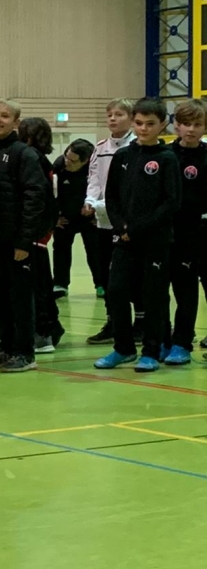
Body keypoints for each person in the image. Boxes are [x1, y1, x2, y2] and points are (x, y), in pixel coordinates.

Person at [95, 98, 181, 373]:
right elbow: (111, 196)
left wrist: (136, 229)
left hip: (155, 240)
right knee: (116, 291)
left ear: (163, 125)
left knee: (152, 296)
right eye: (139, 123)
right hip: (124, 240)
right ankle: (123, 348)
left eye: (150, 124)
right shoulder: (123, 156)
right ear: (133, 122)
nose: (144, 128)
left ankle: (152, 351)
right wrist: (121, 227)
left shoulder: (167, 158)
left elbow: (171, 202)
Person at [0, 100, 46, 373]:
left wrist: (24, 241)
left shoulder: (24, 154)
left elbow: (35, 197)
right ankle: (7, 347)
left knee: (20, 298)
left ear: (16, 122)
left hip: (16, 241)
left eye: (5, 116)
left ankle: (25, 352)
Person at [84, 99, 139, 343]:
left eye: (119, 114)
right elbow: (94, 178)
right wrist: (90, 201)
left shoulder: (135, 147)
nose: (113, 119)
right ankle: (112, 321)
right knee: (106, 275)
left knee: (132, 276)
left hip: (127, 221)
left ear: (131, 118)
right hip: (103, 221)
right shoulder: (100, 147)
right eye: (109, 115)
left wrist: (104, 206)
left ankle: (141, 321)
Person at [164, 100, 207, 365]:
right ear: (176, 125)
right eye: (186, 124)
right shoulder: (166, 156)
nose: (191, 129)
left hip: (203, 232)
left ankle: (183, 342)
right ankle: (174, 341)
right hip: (173, 234)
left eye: (197, 124)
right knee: (178, 290)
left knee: (199, 289)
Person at [18, 116, 64, 355]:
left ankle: (45, 331)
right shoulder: (42, 160)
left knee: (38, 284)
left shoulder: (33, 159)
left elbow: (40, 198)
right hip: (39, 229)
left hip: (35, 231)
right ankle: (50, 327)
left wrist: (33, 230)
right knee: (40, 282)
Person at [51, 139, 99, 298]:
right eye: (66, 157)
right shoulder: (59, 166)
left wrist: (98, 212)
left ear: (85, 161)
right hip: (65, 217)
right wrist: (55, 217)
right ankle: (60, 284)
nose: (67, 162)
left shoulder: (95, 168)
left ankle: (101, 284)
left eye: (72, 161)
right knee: (61, 250)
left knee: (95, 251)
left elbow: (105, 190)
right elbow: (49, 193)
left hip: (89, 218)